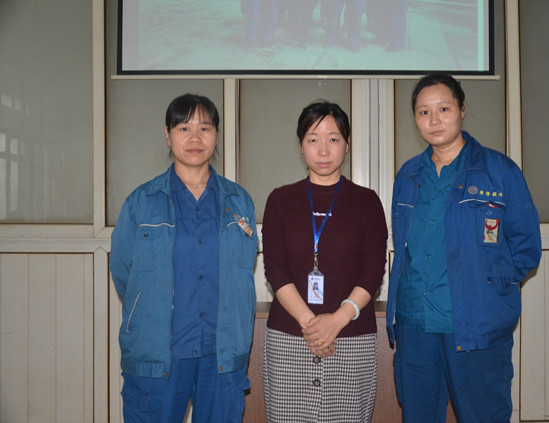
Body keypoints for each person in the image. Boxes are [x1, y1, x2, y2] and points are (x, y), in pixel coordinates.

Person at [387, 73, 542, 423]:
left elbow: (526, 247)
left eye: (443, 108)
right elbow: (405, 246)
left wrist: (489, 286)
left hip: (475, 325)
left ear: (461, 110)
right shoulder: (408, 175)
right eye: (423, 112)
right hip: (415, 325)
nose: (434, 119)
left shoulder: (498, 171)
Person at [110, 94, 259, 423]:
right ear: (168, 135)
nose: (195, 138)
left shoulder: (238, 201)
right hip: (159, 353)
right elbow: (123, 272)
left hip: (221, 353)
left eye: (205, 128)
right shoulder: (141, 202)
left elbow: (243, 267)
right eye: (184, 128)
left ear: (216, 136)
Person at [262, 101, 388, 423]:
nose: (323, 150)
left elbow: (373, 271)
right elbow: (275, 269)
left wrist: (337, 320)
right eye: (313, 139)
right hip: (290, 337)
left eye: (333, 139)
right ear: (300, 145)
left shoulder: (367, 201)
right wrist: (312, 326)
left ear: (347, 145)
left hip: (351, 337)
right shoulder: (280, 200)